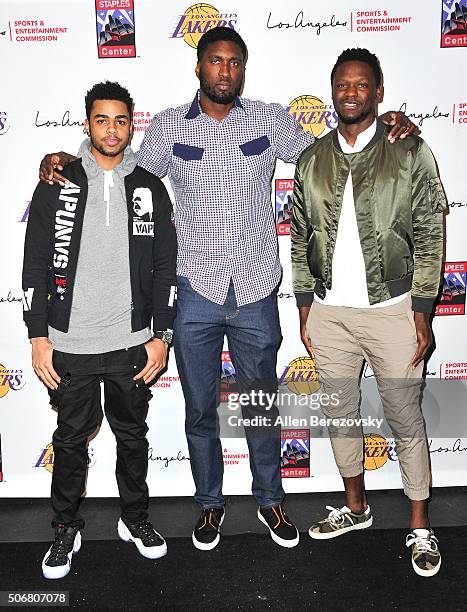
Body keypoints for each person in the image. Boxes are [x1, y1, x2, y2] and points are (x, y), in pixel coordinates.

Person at [39, 28, 418, 552]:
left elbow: (333, 158)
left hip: (257, 289)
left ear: (244, 68)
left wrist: (390, 122)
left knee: (260, 405)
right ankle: (210, 507)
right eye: (215, 62)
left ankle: (270, 500)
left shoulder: (269, 118)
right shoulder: (169, 127)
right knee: (200, 409)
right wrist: (65, 159)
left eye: (235, 63)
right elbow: (126, 178)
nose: (225, 71)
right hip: (193, 290)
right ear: (199, 68)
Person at [291, 48, 446, 577]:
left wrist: (423, 308)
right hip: (330, 315)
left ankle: (420, 524)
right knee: (340, 414)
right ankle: (356, 508)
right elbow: (299, 237)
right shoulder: (311, 158)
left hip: (393, 311)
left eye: (362, 84)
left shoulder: (409, 150)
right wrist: (305, 304)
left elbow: (429, 229)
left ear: (379, 91)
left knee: (405, 418)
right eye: (342, 84)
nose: (350, 92)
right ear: (332, 90)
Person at [22, 81, 177, 579]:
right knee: (70, 441)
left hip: (132, 342)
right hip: (69, 343)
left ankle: (135, 519)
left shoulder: (150, 187)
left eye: (121, 120)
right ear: (87, 123)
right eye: (102, 119)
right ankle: (65, 528)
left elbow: (164, 268)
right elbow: (35, 263)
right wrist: (38, 335)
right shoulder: (58, 181)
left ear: (132, 125)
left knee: (132, 437)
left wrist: (160, 335)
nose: (112, 129)